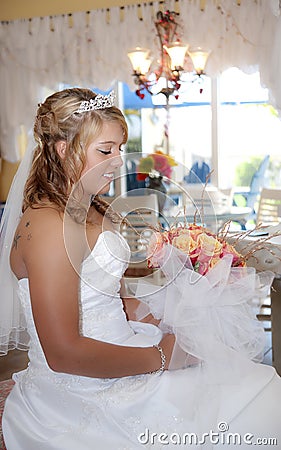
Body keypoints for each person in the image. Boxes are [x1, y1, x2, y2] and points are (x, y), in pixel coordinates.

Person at [1, 88, 281, 450]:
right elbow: (64, 353)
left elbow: (109, 301)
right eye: (105, 151)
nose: (119, 161)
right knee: (254, 402)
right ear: (63, 149)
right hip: (86, 385)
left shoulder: (94, 209)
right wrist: (163, 357)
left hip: (127, 345)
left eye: (119, 148)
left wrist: (173, 313)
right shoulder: (48, 227)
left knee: (255, 385)